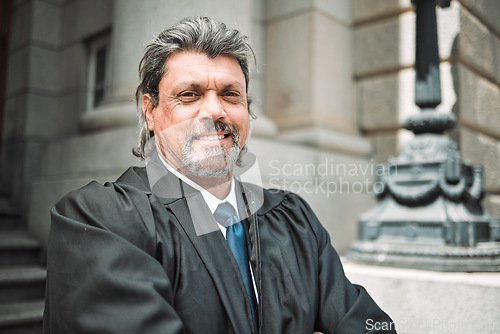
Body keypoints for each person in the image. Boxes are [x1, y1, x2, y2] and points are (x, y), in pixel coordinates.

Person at [43, 16, 396, 334]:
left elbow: (373, 327)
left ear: (246, 111)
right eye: (189, 94)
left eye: (231, 94)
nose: (214, 110)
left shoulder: (294, 220)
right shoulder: (97, 221)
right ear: (150, 112)